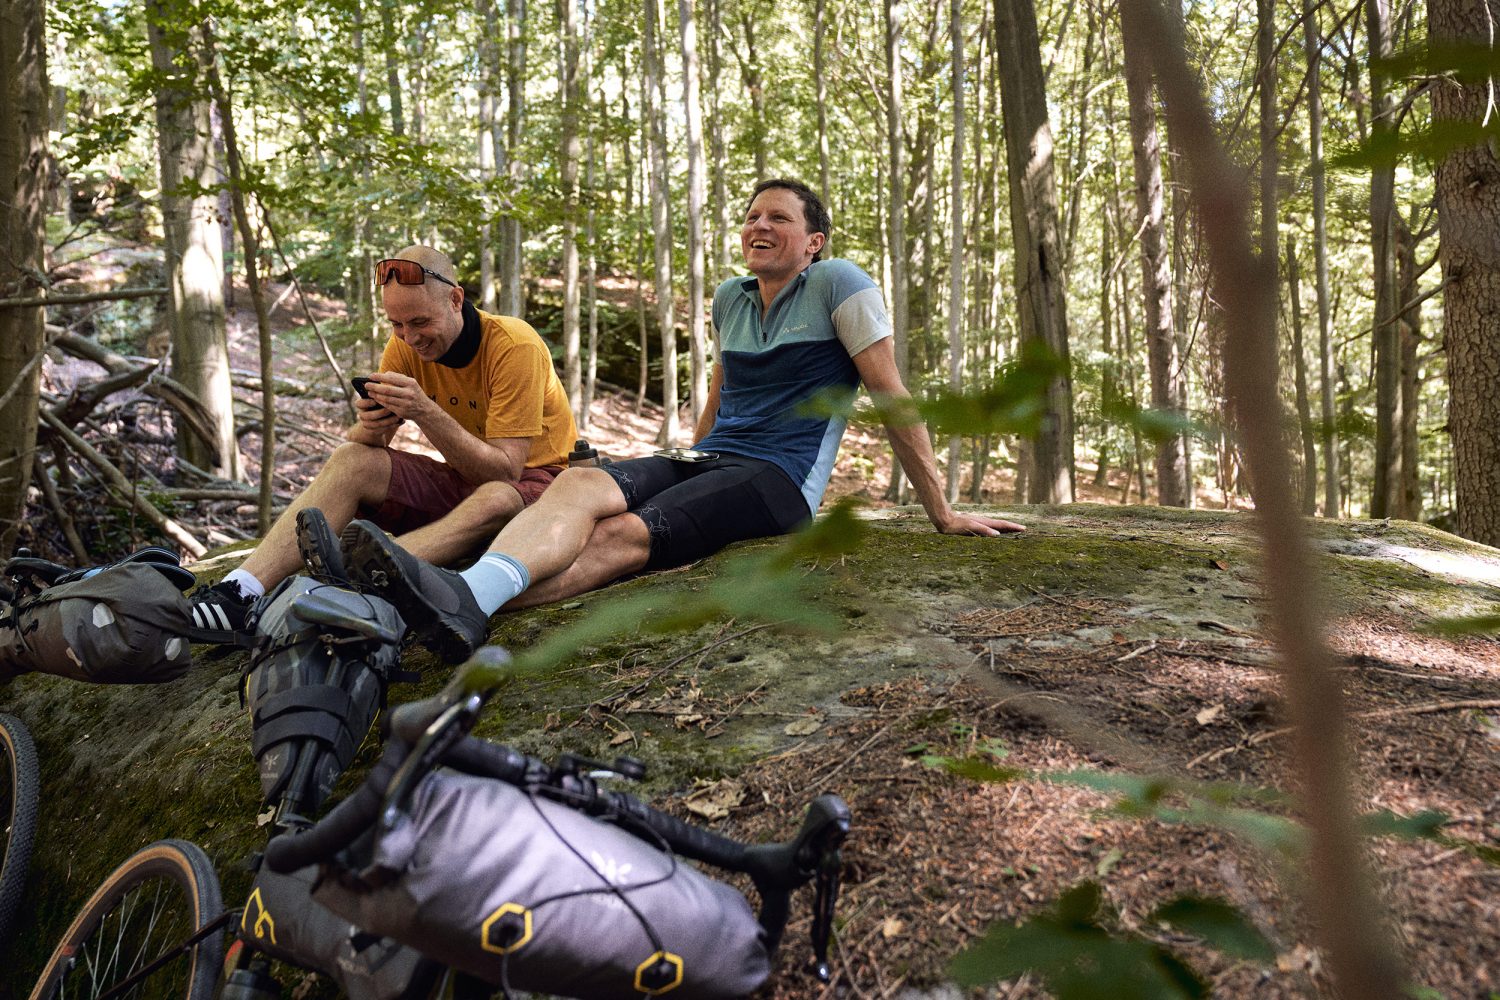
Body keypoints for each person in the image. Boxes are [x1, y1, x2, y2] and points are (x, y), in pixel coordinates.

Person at [334, 180, 1024, 662]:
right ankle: (459, 598)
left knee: (625, 535)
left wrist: (941, 510)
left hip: (777, 480)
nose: (759, 225)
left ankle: (464, 600)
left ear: (814, 242)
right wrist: (683, 468)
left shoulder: (842, 283)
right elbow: (722, 393)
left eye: (779, 218)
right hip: (715, 459)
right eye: (753, 216)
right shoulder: (732, 296)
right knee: (581, 486)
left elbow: (891, 394)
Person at [186, 246, 577, 641]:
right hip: (468, 481)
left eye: (420, 321)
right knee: (352, 458)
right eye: (396, 325)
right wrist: (370, 425)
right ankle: (238, 591)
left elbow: (506, 470)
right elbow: (367, 448)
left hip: (539, 488)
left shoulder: (513, 345)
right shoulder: (405, 346)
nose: (410, 337)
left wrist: (424, 411)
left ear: (456, 299)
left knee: (497, 495)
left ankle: (352, 586)